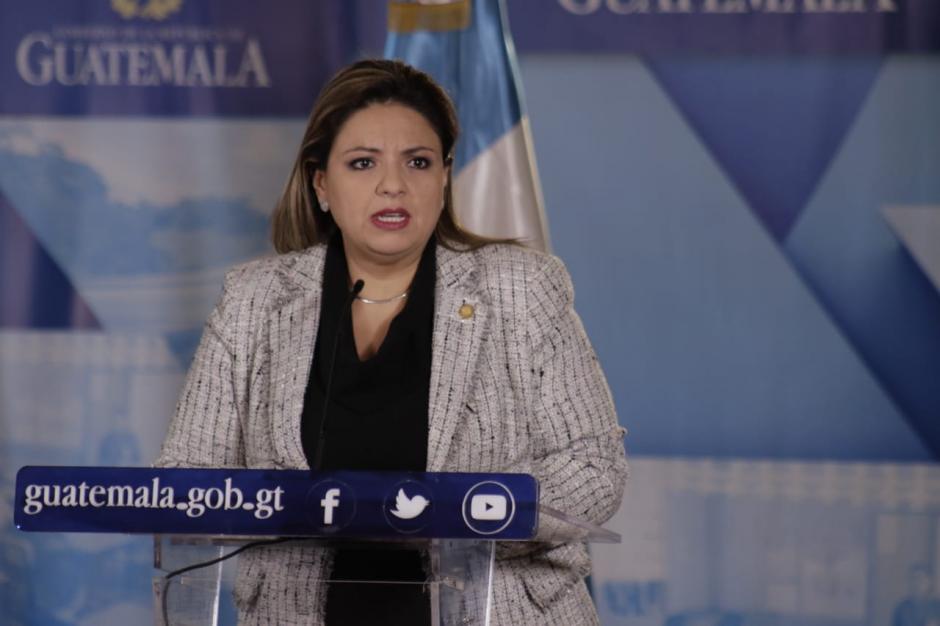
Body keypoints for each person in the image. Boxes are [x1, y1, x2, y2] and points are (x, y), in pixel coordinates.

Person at [156, 58, 627, 625]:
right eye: (362, 163)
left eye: (418, 162)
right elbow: (186, 477)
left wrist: (462, 516)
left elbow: (594, 467)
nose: (393, 185)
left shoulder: (521, 289)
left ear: (445, 177)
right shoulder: (254, 300)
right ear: (321, 183)